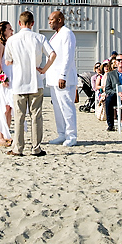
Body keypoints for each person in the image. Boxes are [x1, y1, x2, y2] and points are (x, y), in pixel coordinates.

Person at [4, 11, 56, 157]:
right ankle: (36, 148)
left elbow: (8, 61)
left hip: (19, 82)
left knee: (19, 117)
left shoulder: (12, 40)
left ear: (19, 23)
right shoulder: (39, 38)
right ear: (32, 23)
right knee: (36, 116)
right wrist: (43, 70)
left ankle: (18, 148)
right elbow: (52, 55)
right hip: (36, 81)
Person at [46, 10, 79, 147]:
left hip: (64, 78)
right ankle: (62, 134)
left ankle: (71, 135)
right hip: (53, 78)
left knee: (67, 107)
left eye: (52, 19)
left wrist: (63, 75)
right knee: (58, 109)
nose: (49, 22)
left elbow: (68, 56)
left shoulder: (67, 33)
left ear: (60, 20)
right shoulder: (55, 35)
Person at [0, 21, 15, 147]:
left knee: (9, 108)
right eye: (9, 29)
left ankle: (7, 134)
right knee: (3, 107)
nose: (12, 31)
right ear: (4, 30)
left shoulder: (9, 44)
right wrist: (3, 79)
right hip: (3, 79)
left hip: (11, 78)